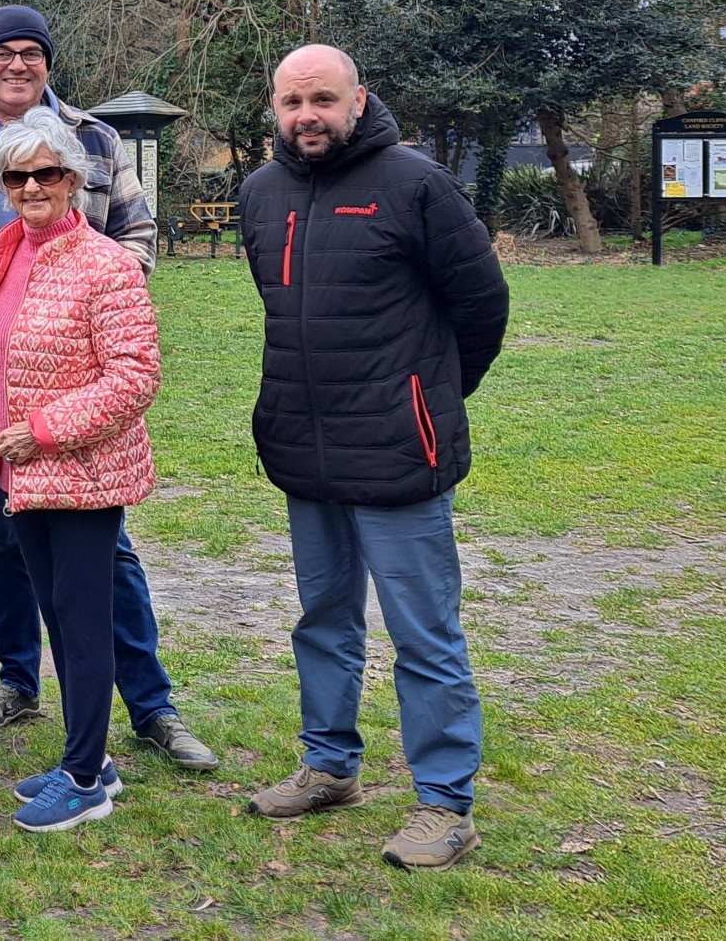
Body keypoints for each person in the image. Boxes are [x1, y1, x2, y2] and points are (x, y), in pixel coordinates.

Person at [0, 4, 217, 772]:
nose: (17, 65)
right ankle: (19, 678)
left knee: (105, 554)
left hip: (81, 388)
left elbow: (136, 234)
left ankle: (150, 703)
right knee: (0, 538)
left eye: (32, 54)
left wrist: (92, 301)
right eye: (2, 54)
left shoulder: (97, 139)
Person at [237, 44, 508, 870]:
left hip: (399, 451)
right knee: (322, 618)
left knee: (424, 633)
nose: (306, 114)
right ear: (275, 110)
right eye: (291, 101)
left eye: (322, 97)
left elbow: (482, 306)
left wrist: (423, 398)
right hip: (305, 448)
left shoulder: (415, 184)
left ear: (358, 100)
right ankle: (329, 764)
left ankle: (446, 802)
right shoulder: (260, 193)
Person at [0, 107, 162, 833]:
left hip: (83, 474)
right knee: (57, 612)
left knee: (82, 624)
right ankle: (92, 753)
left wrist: (42, 429)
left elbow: (135, 375)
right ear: (4, 184)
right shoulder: (4, 251)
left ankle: (84, 780)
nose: (33, 185)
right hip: (22, 475)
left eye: (47, 171)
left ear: (74, 178)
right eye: (18, 174)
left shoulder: (106, 262)